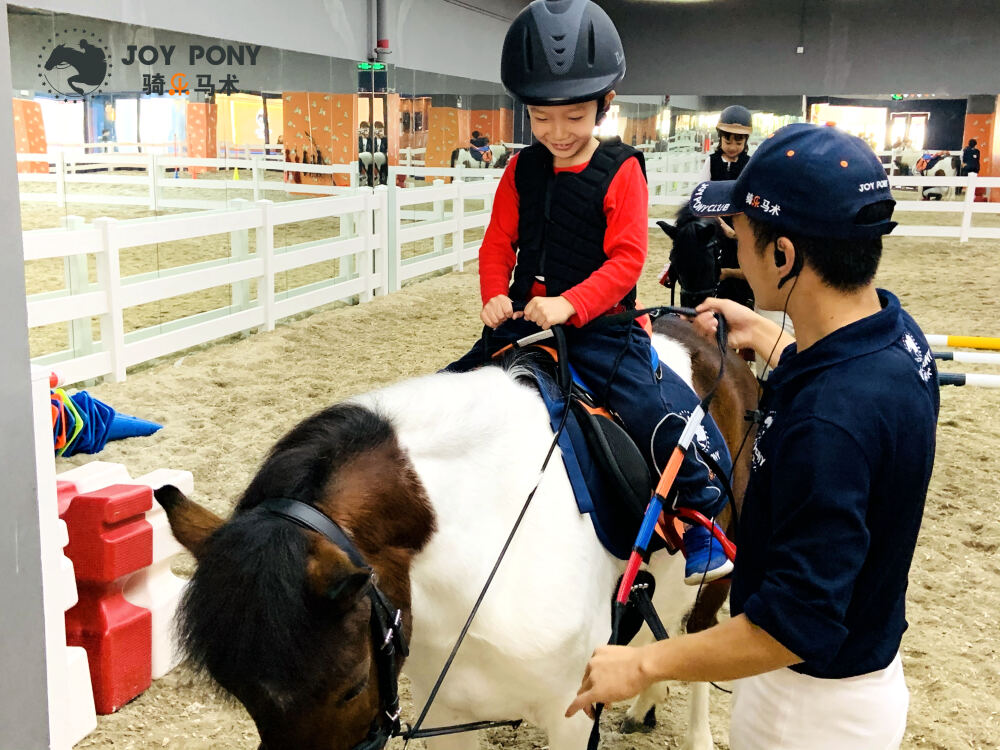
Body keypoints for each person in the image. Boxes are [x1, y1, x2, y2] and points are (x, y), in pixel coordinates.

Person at [566, 123, 939, 750]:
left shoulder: (828, 424)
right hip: (854, 676)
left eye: (738, 238)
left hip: (805, 706)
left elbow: (793, 624)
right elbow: (847, 388)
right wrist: (769, 337)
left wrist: (643, 663)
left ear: (785, 256)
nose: (733, 253)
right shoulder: (897, 337)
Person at [446, 0, 735, 584]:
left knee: (655, 412)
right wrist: (492, 292)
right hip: (524, 320)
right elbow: (497, 243)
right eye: (541, 118)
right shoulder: (520, 170)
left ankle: (699, 515)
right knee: (451, 394)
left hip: (602, 330)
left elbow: (628, 261)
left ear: (604, 105)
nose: (557, 132)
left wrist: (571, 304)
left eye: (574, 116)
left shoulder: (622, 169)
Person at [698, 105, 754, 309]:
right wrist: (721, 224)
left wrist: (738, 229)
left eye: (738, 141)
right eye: (727, 140)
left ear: (745, 142)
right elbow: (702, 196)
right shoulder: (711, 162)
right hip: (715, 224)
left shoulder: (749, 165)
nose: (732, 146)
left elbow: (750, 198)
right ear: (720, 139)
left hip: (741, 226)